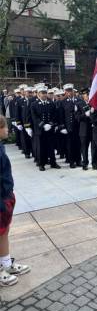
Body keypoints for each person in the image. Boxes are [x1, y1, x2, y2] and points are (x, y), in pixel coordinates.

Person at [0, 115, 30, 286]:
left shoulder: (1, 147)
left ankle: (5, 264)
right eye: (4, 127)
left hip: (5, 196)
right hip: (1, 199)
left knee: (4, 232)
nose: (7, 130)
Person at [30, 85, 61, 171]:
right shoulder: (34, 104)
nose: (44, 95)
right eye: (42, 93)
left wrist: (51, 124)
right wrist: (43, 125)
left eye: (45, 93)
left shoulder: (51, 103)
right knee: (41, 147)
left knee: (51, 147)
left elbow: (55, 115)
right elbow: (34, 117)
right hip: (40, 130)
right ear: (38, 94)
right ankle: (41, 163)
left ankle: (53, 163)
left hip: (50, 129)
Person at [59, 84, 82, 168]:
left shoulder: (78, 100)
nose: (69, 93)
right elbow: (61, 116)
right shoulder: (63, 102)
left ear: (73, 91)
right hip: (69, 127)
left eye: (70, 91)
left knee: (78, 144)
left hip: (78, 126)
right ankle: (71, 161)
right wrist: (62, 127)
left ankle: (79, 160)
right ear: (65, 92)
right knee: (70, 145)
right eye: (67, 91)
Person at [76, 88, 97, 171]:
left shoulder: (94, 103)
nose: (88, 96)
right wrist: (85, 115)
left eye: (89, 94)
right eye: (86, 94)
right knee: (84, 147)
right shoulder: (79, 104)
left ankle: (94, 163)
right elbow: (77, 117)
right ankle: (85, 163)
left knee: (94, 147)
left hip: (93, 129)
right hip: (84, 129)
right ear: (83, 95)